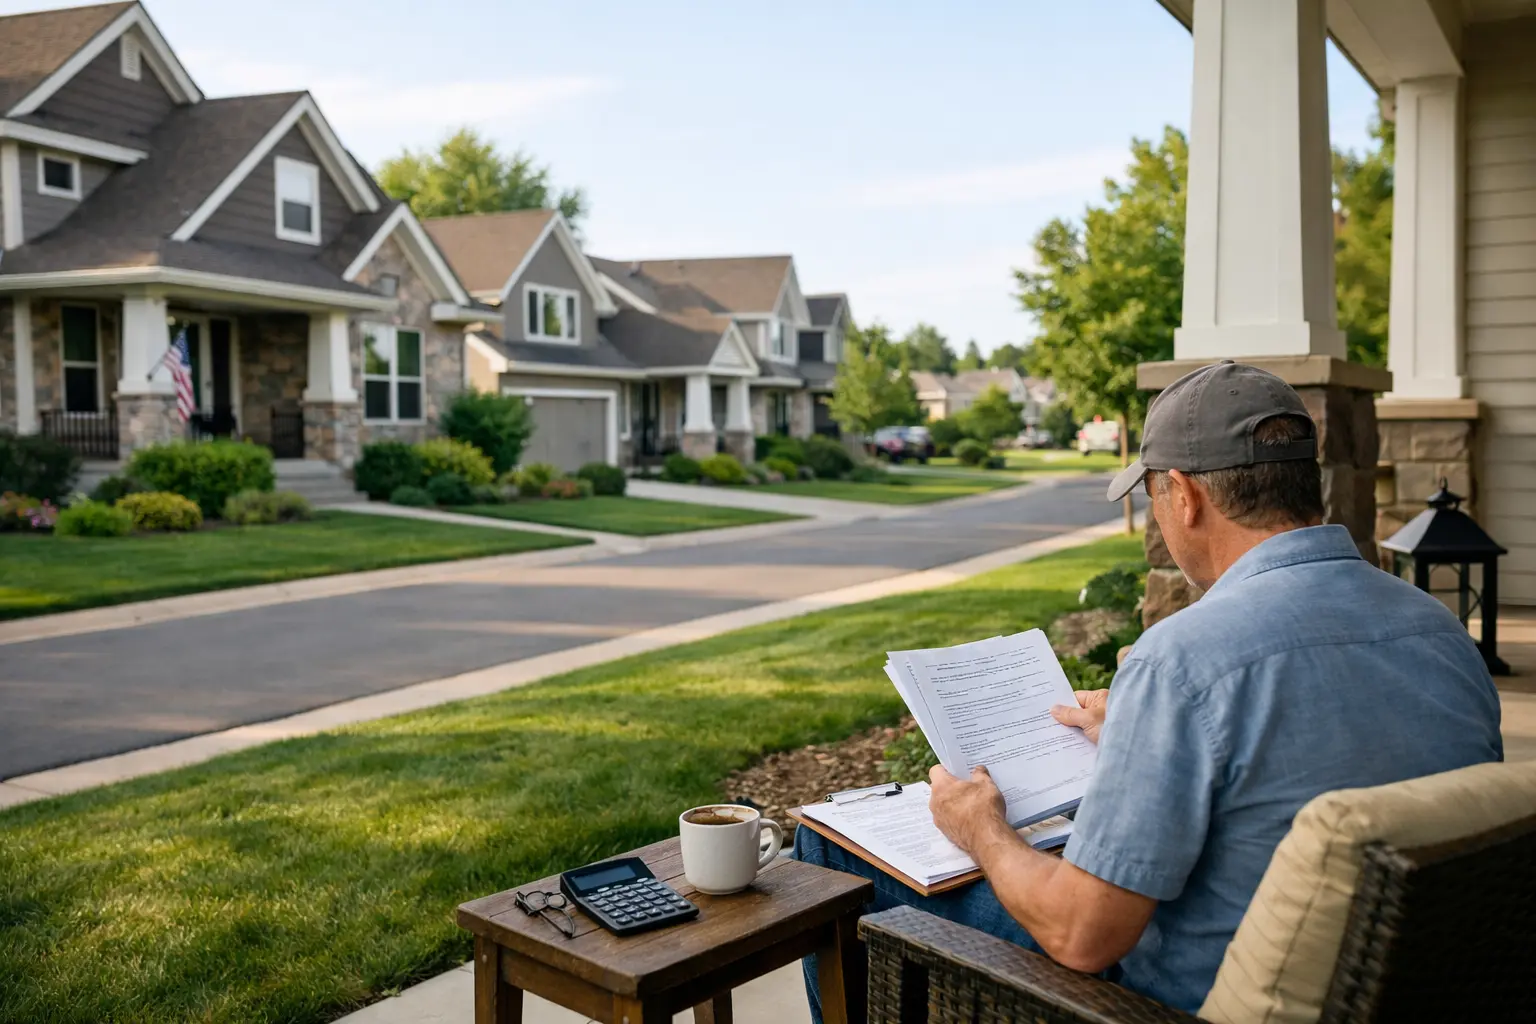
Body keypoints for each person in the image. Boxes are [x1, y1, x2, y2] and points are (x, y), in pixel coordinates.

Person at [794, 360, 1503, 1020]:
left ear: (1185, 497)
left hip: (1167, 1002)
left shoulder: (1185, 659)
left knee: (830, 849)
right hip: (1391, 987)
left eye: (1154, 494)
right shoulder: (1439, 631)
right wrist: (1138, 732)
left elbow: (1083, 936)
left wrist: (981, 827)